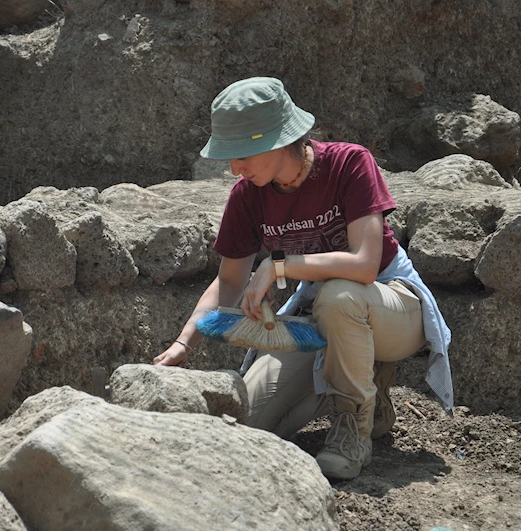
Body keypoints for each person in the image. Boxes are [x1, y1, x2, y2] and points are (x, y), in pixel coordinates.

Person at [154, 77, 453, 481]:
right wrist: (182, 343)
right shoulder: (247, 196)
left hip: (392, 307)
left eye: (242, 154)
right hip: (320, 322)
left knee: (340, 296)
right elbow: (228, 282)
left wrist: (279, 264)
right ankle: (369, 394)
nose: (233, 168)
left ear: (279, 141)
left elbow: (364, 265)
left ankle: (352, 426)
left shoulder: (349, 164)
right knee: (247, 424)